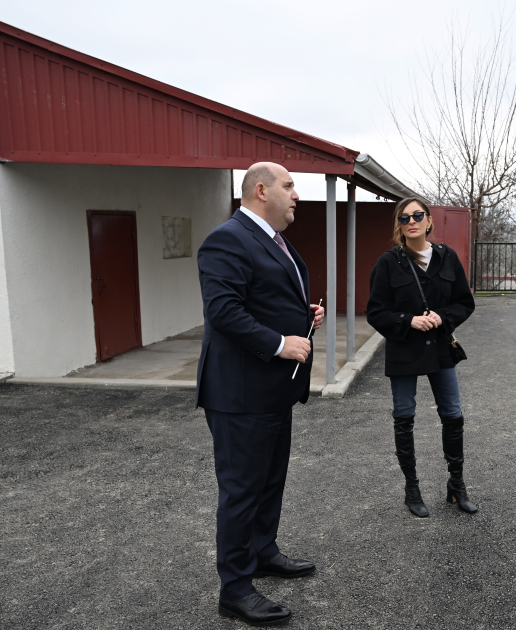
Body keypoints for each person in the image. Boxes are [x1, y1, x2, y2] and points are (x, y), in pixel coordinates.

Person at [196, 162, 325, 626]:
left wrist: (302, 315)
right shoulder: (227, 239)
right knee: (242, 491)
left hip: (272, 390)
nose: (296, 195)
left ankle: (262, 551)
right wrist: (279, 343)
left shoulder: (272, 239)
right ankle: (234, 589)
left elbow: (262, 296)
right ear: (261, 190)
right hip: (240, 394)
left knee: (269, 481)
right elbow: (223, 311)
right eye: (289, 186)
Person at [366, 197, 477, 518]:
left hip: (440, 349)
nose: (411, 221)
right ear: (399, 226)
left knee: (453, 415)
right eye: (404, 218)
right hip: (404, 349)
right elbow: (376, 312)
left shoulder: (447, 257)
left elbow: (464, 303)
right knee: (404, 416)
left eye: (417, 216)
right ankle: (411, 489)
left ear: (429, 221)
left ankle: (456, 485)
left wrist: (442, 317)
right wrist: (408, 320)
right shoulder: (388, 262)